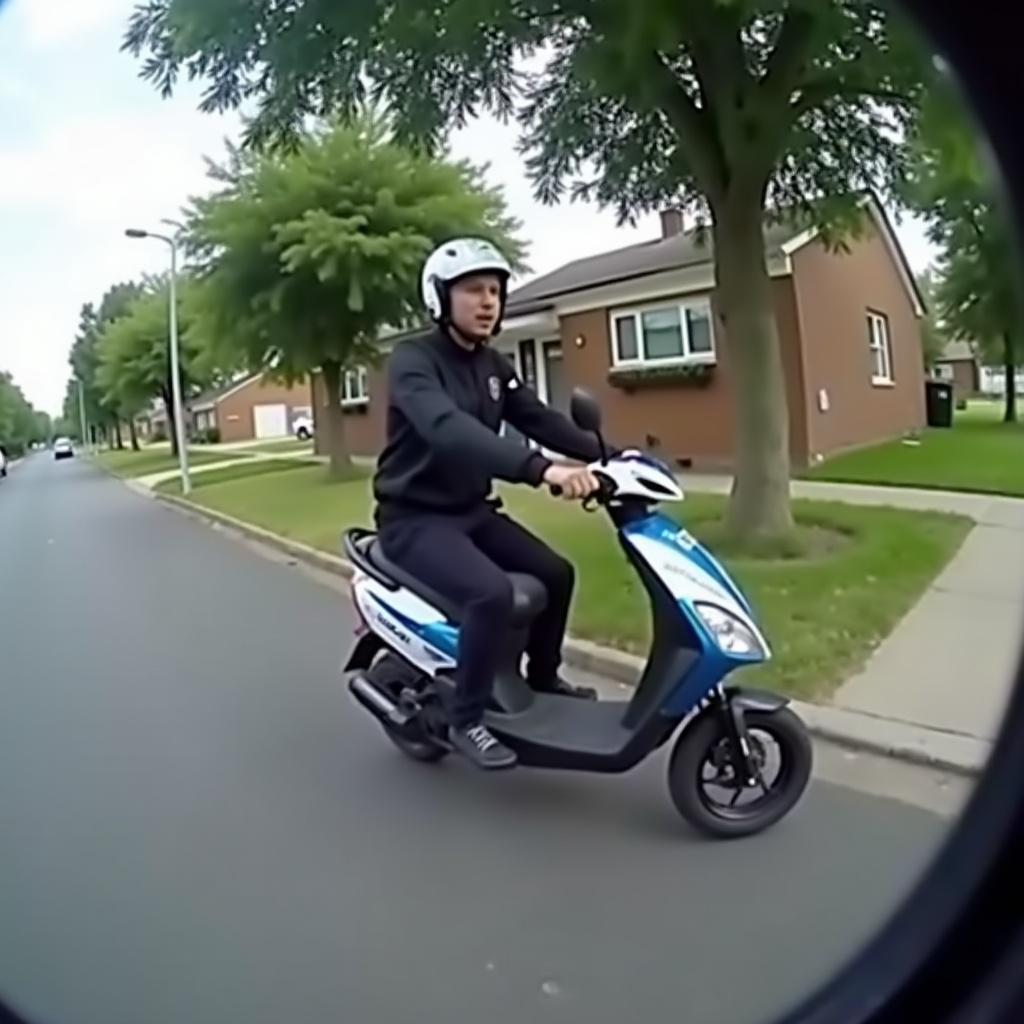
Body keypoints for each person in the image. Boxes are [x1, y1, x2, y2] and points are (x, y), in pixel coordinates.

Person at [372, 238, 616, 770]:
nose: (488, 302)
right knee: (490, 594)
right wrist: (541, 469)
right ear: (440, 298)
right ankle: (466, 719)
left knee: (557, 573)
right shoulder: (413, 361)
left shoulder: (493, 364)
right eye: (473, 291)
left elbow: (540, 418)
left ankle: (543, 676)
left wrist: (616, 456)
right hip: (413, 519)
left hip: (472, 511)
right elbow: (447, 429)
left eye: (495, 292)